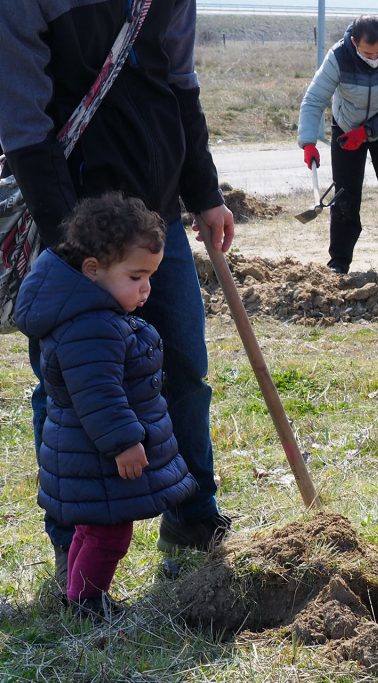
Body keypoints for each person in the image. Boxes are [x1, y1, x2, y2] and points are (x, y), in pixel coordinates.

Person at [0, 0, 234, 590]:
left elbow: (180, 84)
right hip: (74, 228)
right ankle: (70, 543)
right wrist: (73, 250)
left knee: (182, 369)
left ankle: (191, 517)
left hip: (158, 222)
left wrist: (204, 191)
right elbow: (24, 125)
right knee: (69, 385)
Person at [14, 194, 198, 620]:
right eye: (136, 276)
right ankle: (88, 604)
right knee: (109, 535)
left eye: (150, 275)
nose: (147, 287)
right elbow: (99, 396)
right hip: (100, 455)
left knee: (91, 529)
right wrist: (124, 443)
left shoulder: (95, 313)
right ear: (93, 270)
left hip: (86, 453)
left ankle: (79, 595)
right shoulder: (92, 326)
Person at [297, 15, 378, 274]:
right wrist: (308, 142)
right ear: (354, 42)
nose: (375, 59)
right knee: (345, 196)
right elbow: (314, 99)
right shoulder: (339, 57)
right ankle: (339, 262)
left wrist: (369, 131)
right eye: (367, 53)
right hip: (346, 128)